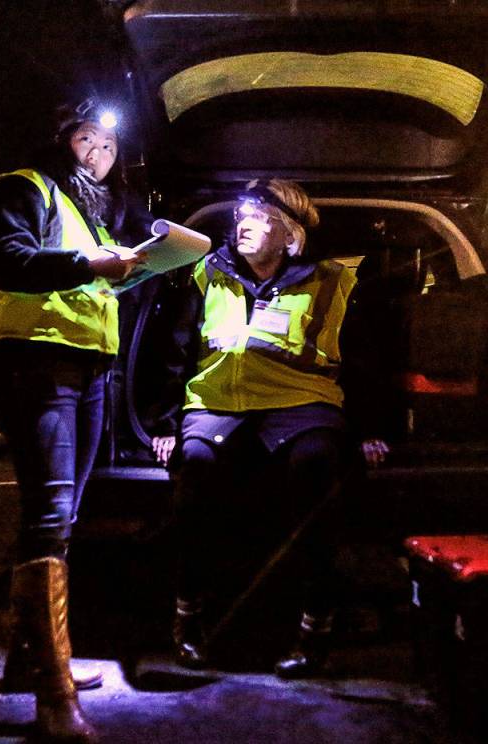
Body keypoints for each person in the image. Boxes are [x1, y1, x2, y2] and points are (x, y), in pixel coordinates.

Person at [150, 178, 389, 678]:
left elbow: (367, 360)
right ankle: (188, 619)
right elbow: (173, 353)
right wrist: (166, 424)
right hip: (218, 401)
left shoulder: (332, 280)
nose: (242, 226)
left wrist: (369, 428)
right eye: (240, 217)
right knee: (192, 467)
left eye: (257, 218)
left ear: (290, 235)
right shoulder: (206, 274)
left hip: (303, 403)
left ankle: (314, 627)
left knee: (318, 465)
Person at [0, 98, 150, 743]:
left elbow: (92, 283)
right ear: (59, 139)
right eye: (86, 139)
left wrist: (127, 269)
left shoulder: (92, 214)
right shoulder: (23, 187)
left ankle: (26, 661)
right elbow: (10, 262)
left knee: (61, 516)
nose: (98, 156)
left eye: (108, 148)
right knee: (49, 514)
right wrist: (91, 265)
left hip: (87, 368)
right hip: (35, 366)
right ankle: (55, 696)